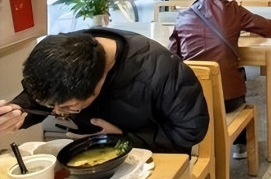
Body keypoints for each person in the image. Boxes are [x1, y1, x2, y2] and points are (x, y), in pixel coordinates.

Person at [0, 30, 209, 154]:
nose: (58, 112)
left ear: (99, 82)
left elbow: (189, 132)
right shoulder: (71, 50)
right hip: (91, 156)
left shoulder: (161, 71)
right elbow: (48, 94)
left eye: (69, 107)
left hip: (152, 157)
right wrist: (18, 110)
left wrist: (124, 139)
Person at [169, 0, 271, 159]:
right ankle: (240, 144)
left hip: (192, 100)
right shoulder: (233, 10)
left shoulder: (183, 16)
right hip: (228, 99)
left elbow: (173, 57)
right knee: (236, 74)